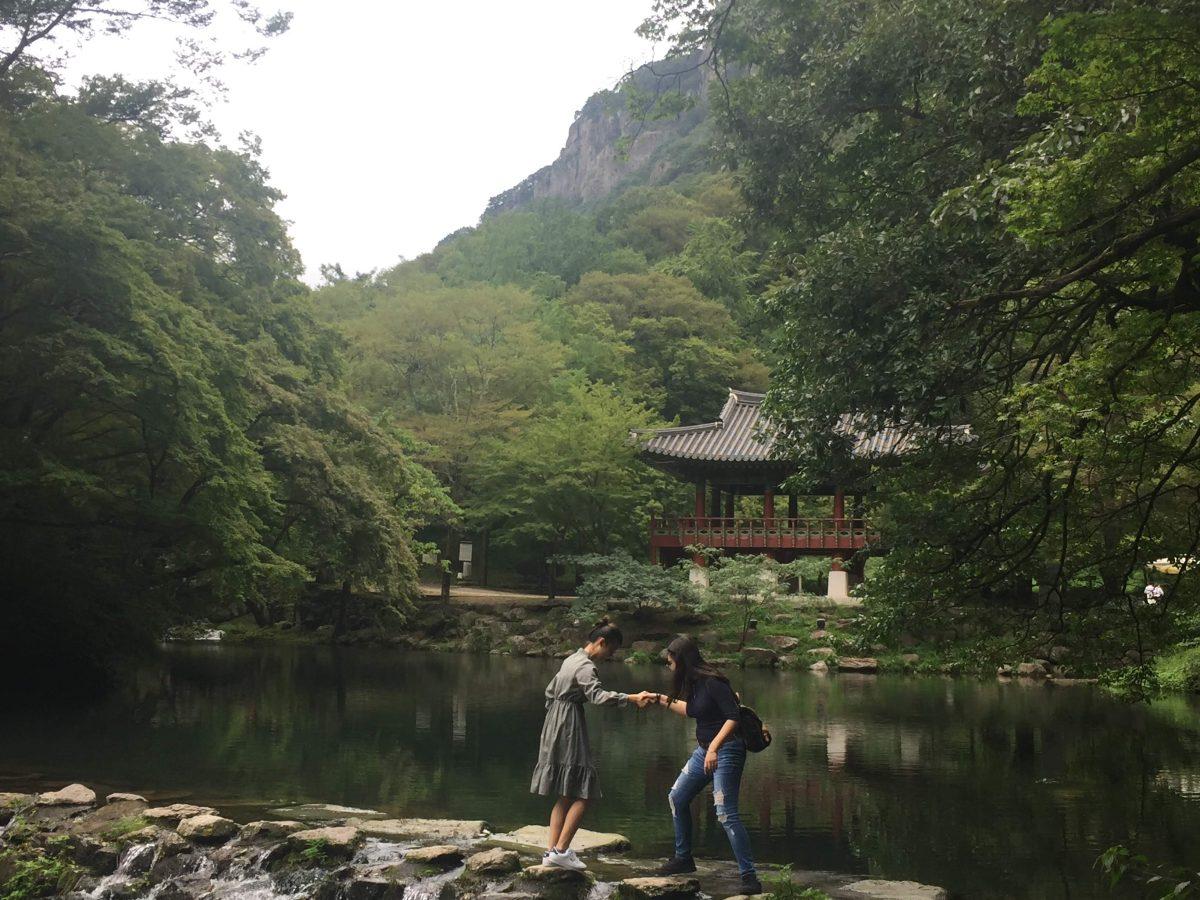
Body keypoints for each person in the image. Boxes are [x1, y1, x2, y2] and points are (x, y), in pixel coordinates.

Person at [530, 617, 654, 871]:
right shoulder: (585, 666)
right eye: (611, 650)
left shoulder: (570, 660)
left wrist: (554, 722)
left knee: (566, 793)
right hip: (569, 726)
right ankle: (562, 850)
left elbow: (549, 693)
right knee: (585, 792)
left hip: (554, 723)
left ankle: (551, 852)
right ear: (601, 642)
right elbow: (597, 697)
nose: (611, 655)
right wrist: (631, 698)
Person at [649, 634, 761, 895]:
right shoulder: (696, 683)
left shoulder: (712, 681)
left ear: (681, 659)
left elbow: (732, 717)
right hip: (705, 751)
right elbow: (692, 711)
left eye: (670, 661)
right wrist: (658, 698)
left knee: (725, 813)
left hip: (727, 750)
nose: (668, 665)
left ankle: (750, 877)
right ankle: (683, 858)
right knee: (677, 797)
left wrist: (713, 748)